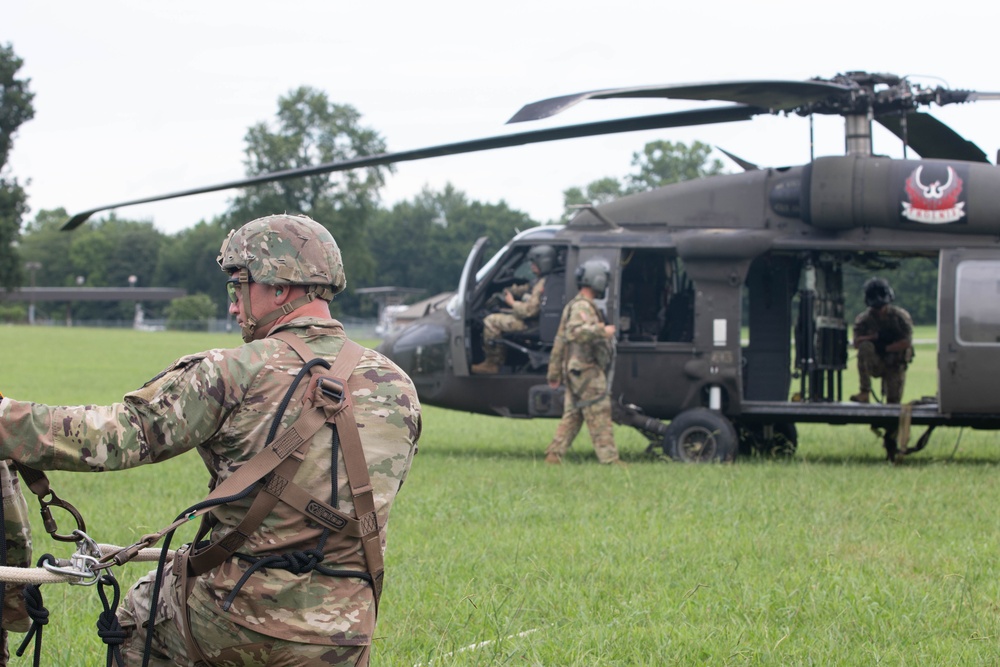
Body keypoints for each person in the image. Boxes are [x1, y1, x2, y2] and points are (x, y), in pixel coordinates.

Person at [0, 214, 421, 666]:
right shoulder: (398, 387)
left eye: (238, 286)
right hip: (345, 633)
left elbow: (119, 435)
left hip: (236, 618)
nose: (233, 307)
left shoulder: (231, 371)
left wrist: (7, 418)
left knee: (137, 618)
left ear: (278, 289)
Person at [544, 259, 622, 465]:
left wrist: (554, 373)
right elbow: (574, 332)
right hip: (586, 369)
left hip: (575, 369)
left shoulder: (575, 305)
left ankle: (554, 454)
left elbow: (560, 341)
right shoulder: (582, 307)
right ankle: (610, 459)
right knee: (600, 410)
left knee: (574, 414)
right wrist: (601, 331)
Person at [471, 245, 556, 374]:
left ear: (543, 263)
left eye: (534, 263)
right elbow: (526, 288)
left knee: (491, 320)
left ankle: (492, 364)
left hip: (532, 324)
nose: (531, 266)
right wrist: (509, 291)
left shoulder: (543, 284)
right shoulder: (543, 280)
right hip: (538, 322)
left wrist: (511, 303)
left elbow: (529, 311)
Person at [850, 277, 914, 404]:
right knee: (865, 347)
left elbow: (906, 341)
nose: (879, 311)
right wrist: (873, 339)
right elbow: (857, 343)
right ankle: (864, 391)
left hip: (896, 363)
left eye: (882, 307)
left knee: (893, 402)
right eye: (876, 308)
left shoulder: (900, 317)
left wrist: (886, 348)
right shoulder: (864, 320)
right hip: (875, 362)